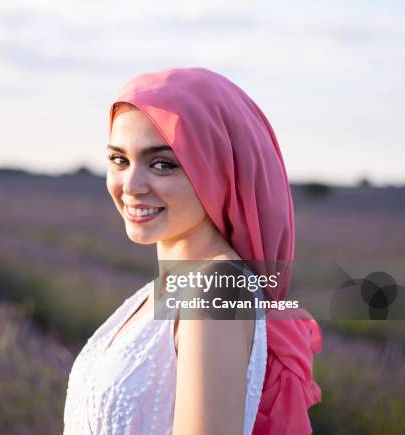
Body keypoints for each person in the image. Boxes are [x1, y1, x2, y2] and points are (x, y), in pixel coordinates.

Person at [63, 67, 322, 435]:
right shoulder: (167, 288)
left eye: (162, 164)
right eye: (119, 159)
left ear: (218, 171)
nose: (131, 185)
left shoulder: (218, 287)